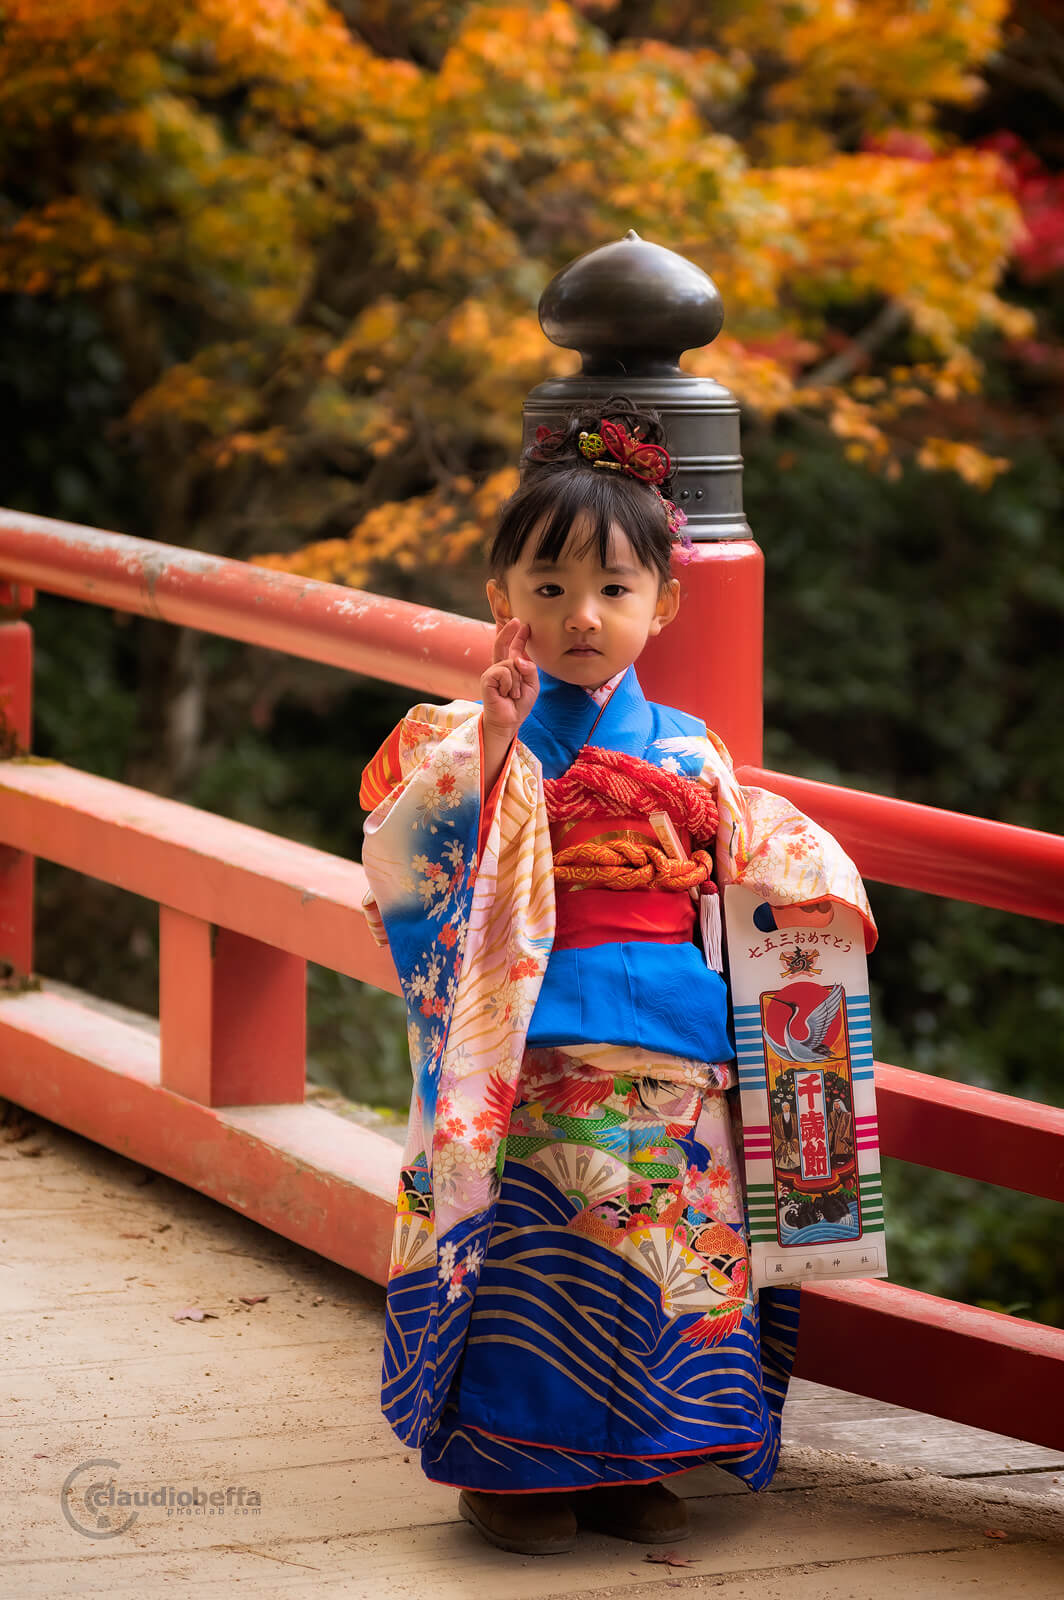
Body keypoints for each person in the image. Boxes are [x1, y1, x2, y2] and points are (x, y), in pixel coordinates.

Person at [359, 399, 875, 1557]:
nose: (578, 616)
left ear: (662, 603)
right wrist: (489, 752)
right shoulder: (457, 732)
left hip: (679, 1035)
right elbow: (410, 846)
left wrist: (808, 885)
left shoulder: (690, 747)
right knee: (541, 1255)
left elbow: (753, 852)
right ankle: (515, 1473)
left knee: (671, 1256)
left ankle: (642, 1458)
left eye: (611, 589)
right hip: (538, 1037)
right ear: (500, 596)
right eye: (545, 588)